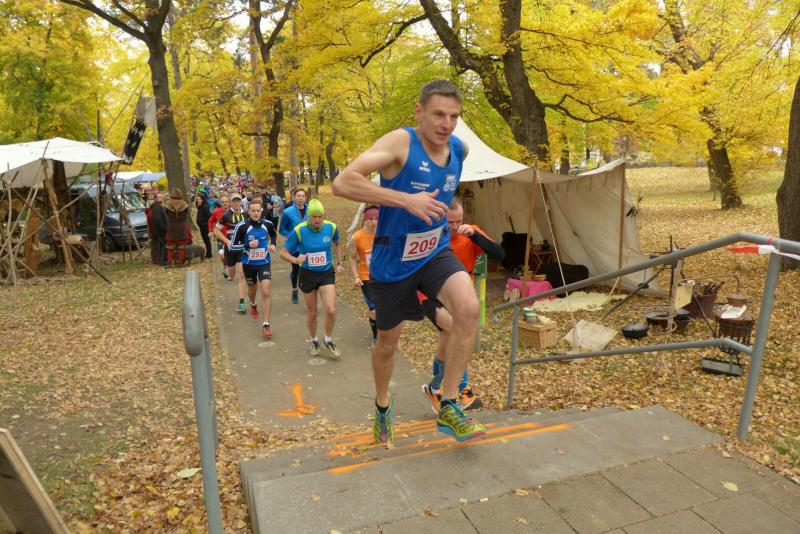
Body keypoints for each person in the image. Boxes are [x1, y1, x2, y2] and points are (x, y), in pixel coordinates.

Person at [332, 79, 484, 444]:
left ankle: (449, 404)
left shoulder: (459, 149)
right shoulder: (400, 143)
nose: (446, 124)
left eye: (454, 116)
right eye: (438, 115)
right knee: (388, 343)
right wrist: (404, 200)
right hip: (392, 261)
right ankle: (383, 404)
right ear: (419, 112)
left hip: (433, 251)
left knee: (468, 309)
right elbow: (342, 183)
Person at [420, 198, 505, 413]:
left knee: (449, 336)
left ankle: (435, 387)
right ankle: (463, 389)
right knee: (456, 330)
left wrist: (475, 236)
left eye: (458, 221)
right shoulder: (431, 236)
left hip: (459, 296)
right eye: (449, 222)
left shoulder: (470, 233)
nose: (455, 226)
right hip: (430, 294)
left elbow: (500, 255)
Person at [279, 199, 344, 358]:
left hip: (326, 273)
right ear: (309, 216)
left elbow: (338, 243)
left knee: (331, 310)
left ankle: (328, 340)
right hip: (307, 274)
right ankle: (314, 340)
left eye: (320, 216)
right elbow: (283, 252)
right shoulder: (299, 230)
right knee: (313, 312)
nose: (317, 219)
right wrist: (295, 260)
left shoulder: (331, 227)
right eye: (314, 216)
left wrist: (339, 262)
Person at [228, 199, 277, 337]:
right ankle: (253, 304)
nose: (256, 213)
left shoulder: (267, 224)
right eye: (253, 211)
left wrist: (273, 244)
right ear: (248, 211)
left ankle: (266, 324)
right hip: (248, 264)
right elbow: (233, 246)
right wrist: (248, 245)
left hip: (264, 262)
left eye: (258, 210)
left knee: (266, 291)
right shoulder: (242, 226)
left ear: (261, 211)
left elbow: (273, 234)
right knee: (252, 290)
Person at [348, 205, 379, 347]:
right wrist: (356, 276)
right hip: (367, 277)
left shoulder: (385, 234)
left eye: (376, 219)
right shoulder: (357, 237)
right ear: (365, 219)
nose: (373, 222)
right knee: (374, 309)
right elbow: (352, 258)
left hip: (384, 277)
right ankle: (376, 337)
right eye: (370, 219)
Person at [214, 193, 247, 312]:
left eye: (238, 201)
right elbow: (216, 231)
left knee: (242, 274)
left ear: (241, 202)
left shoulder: (247, 215)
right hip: (230, 249)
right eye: (234, 201)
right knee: (232, 274)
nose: (237, 203)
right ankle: (226, 269)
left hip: (242, 248)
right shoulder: (226, 216)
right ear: (231, 203)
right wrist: (226, 241)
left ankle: (242, 302)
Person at [278, 188, 308, 304]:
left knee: (307, 269)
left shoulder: (310, 210)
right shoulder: (288, 212)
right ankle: (294, 290)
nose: (301, 198)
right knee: (296, 269)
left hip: (308, 245)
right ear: (294, 198)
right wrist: (291, 236)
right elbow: (282, 229)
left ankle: (308, 292)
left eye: (303, 196)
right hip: (295, 246)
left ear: (305, 198)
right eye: (298, 196)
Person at [164, 188, 192, 266]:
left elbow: (166, 214)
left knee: (170, 246)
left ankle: (170, 263)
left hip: (171, 227)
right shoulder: (184, 204)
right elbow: (186, 214)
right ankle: (180, 263)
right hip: (182, 227)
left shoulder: (168, 204)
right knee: (181, 246)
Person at [208, 195, 230, 277]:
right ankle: (225, 267)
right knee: (222, 256)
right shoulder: (217, 212)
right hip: (220, 237)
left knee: (230, 256)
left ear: (229, 202)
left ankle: (229, 270)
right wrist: (210, 231)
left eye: (226, 201)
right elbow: (210, 221)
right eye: (223, 202)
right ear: (221, 203)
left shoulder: (233, 211)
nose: (225, 203)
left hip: (231, 237)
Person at [150, 192, 167, 265]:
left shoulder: (159, 207)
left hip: (159, 230)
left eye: (162, 197)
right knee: (164, 245)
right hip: (160, 231)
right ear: (156, 199)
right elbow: (158, 220)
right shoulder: (156, 208)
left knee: (160, 245)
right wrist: (164, 228)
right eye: (159, 197)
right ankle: (162, 260)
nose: (161, 198)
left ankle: (160, 259)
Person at [195, 192, 213, 259]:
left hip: (205, 227)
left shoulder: (205, 207)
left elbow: (210, 217)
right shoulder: (200, 206)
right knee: (205, 240)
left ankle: (209, 254)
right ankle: (208, 253)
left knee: (207, 240)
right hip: (202, 227)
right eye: (197, 199)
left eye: (200, 199)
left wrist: (204, 224)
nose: (198, 201)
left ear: (203, 199)